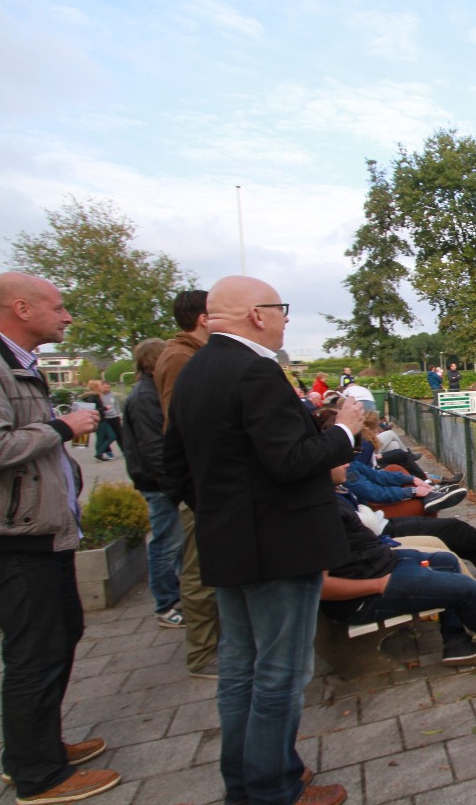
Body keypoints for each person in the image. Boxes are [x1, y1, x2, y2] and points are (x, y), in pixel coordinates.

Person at [165, 275, 362, 805]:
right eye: (281, 308)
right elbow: (290, 461)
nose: (286, 318)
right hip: (280, 548)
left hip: (231, 543)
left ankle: (251, 780)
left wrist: (226, 518)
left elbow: (174, 465)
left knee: (240, 670)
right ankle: (273, 789)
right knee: (280, 673)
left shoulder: (195, 368)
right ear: (257, 314)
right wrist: (343, 429)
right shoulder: (255, 370)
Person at [0, 273, 122, 805]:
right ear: (21, 309)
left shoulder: (19, 366)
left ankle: (35, 748)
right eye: (58, 306)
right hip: (16, 539)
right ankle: (38, 774)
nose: (67, 316)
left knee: (58, 637)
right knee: (36, 651)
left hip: (42, 532)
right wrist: (62, 428)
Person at [322, 466, 476, 667]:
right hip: (367, 593)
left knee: (446, 560)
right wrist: (379, 584)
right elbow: (322, 586)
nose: (346, 464)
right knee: (463, 587)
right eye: (337, 460)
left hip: (382, 563)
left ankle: (456, 642)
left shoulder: (331, 497)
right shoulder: (319, 515)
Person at [153, 289, 220, 680]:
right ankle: (203, 654)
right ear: (203, 319)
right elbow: (184, 425)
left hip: (203, 479)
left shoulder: (190, 355)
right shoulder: (181, 359)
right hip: (200, 482)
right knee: (199, 569)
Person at [120, 337, 185, 630]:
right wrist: (176, 487)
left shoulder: (147, 392)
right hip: (159, 485)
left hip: (160, 483)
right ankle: (166, 604)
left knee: (175, 543)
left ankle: (180, 597)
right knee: (166, 544)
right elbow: (155, 448)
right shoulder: (146, 397)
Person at [80, 380, 119, 461]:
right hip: (99, 420)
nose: (102, 386)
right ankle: (99, 454)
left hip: (102, 419)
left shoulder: (96, 395)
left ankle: (99, 454)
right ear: (96, 387)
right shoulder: (92, 397)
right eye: (100, 385)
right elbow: (93, 409)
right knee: (104, 437)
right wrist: (104, 408)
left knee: (110, 436)